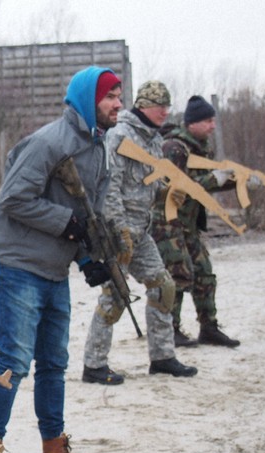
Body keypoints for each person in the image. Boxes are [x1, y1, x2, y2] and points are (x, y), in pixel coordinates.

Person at [0, 66, 120, 453]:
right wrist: (67, 225)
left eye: (119, 96)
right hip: (18, 265)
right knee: (14, 361)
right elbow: (13, 200)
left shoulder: (100, 149)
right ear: (87, 98)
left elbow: (88, 217)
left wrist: (89, 256)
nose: (117, 104)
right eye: (109, 96)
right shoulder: (49, 142)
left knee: (54, 364)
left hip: (54, 270)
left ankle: (54, 452)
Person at [82, 80, 198, 383]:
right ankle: (94, 365)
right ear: (144, 106)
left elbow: (146, 182)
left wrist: (167, 192)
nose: (164, 112)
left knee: (163, 287)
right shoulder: (120, 135)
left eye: (167, 106)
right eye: (159, 106)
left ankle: (162, 357)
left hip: (141, 230)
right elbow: (111, 188)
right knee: (115, 295)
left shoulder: (152, 139)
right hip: (117, 232)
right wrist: (120, 232)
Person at [150, 95, 244, 348]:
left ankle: (209, 327)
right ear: (192, 123)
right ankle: (171, 329)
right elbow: (179, 187)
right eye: (207, 120)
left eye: (213, 120)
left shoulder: (200, 147)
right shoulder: (174, 148)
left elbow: (207, 183)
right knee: (177, 274)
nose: (212, 125)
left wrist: (238, 180)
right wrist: (217, 178)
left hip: (189, 224)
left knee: (204, 273)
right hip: (167, 223)